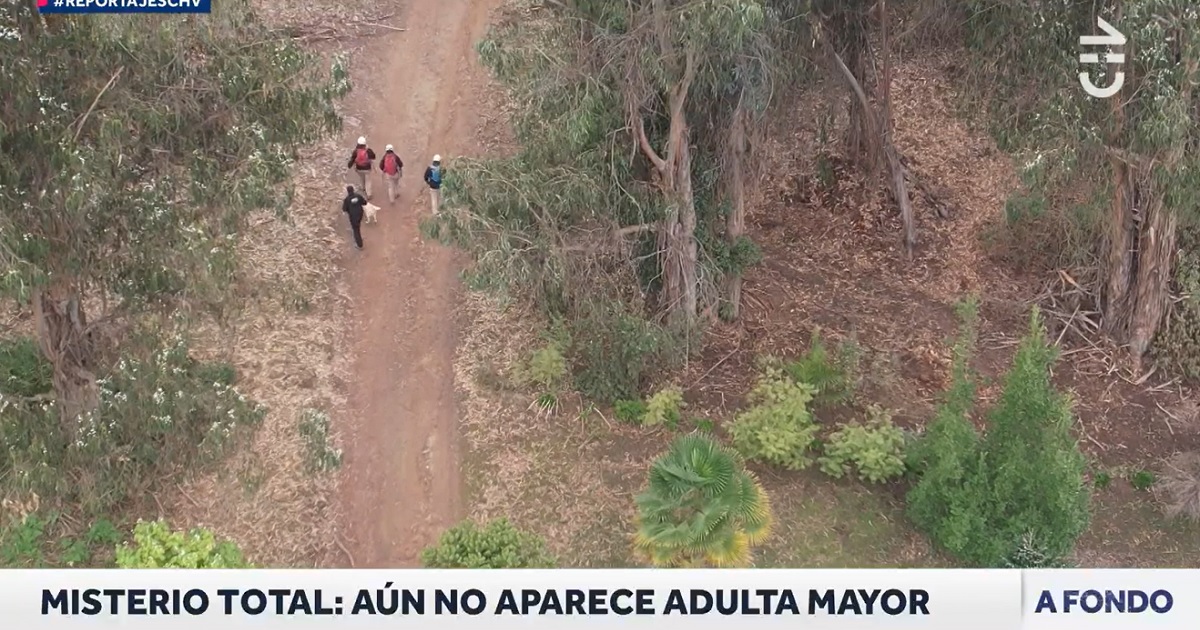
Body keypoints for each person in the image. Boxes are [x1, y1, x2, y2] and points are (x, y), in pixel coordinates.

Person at [342, 185, 367, 250]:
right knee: (358, 226)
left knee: (356, 230)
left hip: (353, 216)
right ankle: (360, 238)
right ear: (353, 190)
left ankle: (360, 245)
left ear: (347, 191)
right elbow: (364, 203)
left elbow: (344, 209)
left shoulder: (347, 199)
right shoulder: (358, 196)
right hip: (360, 214)